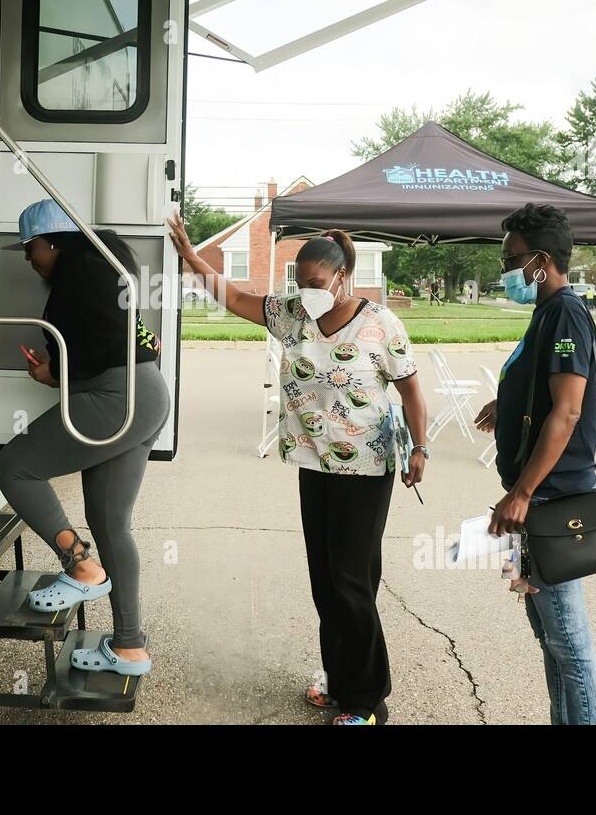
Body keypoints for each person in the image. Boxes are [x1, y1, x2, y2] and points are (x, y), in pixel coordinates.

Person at [168, 214, 428, 725]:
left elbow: (411, 389)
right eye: (300, 282)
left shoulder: (381, 324)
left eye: (314, 283)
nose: (307, 291)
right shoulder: (292, 316)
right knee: (325, 582)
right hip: (315, 465)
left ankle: (368, 701)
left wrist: (421, 447)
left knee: (352, 582)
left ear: (340, 276)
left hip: (366, 471)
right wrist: (192, 259)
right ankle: (337, 678)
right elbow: (236, 298)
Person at [0, 199, 169, 677]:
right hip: (146, 393)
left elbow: (94, 351)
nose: (29, 259)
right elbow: (114, 340)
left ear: (54, 243)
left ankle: (79, 565)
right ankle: (130, 648)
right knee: (111, 522)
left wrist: (52, 371)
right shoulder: (111, 266)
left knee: (12, 466)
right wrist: (57, 373)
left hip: (114, 398)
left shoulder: (79, 280)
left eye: (31, 248)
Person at [475, 202, 596, 725]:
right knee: (551, 638)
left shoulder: (568, 312)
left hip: (549, 501)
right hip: (537, 497)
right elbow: (545, 392)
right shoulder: (546, 312)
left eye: (513, 261)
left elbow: (569, 409)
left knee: (570, 644)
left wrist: (523, 493)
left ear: (542, 261)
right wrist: (505, 401)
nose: (506, 272)